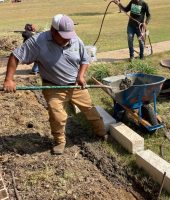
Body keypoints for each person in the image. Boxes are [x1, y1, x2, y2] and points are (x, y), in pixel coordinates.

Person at [3, 14, 106, 155]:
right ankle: (60, 141)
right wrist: (9, 80)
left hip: (75, 85)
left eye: (69, 35)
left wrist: (80, 76)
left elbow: (84, 59)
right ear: (53, 30)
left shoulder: (75, 39)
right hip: (53, 87)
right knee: (57, 117)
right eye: (63, 35)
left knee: (90, 110)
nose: (67, 38)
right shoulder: (38, 42)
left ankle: (101, 132)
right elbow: (15, 56)